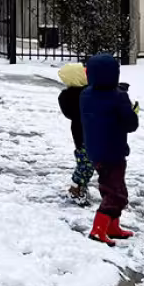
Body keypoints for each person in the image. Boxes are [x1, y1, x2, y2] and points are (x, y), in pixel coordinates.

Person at [79, 54, 139, 245]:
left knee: (111, 187)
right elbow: (131, 124)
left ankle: (112, 226)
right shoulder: (118, 97)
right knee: (115, 193)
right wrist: (131, 110)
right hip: (113, 150)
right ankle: (98, 229)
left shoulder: (86, 94)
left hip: (95, 150)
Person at [57, 62, 95, 206]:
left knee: (88, 163)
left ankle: (80, 186)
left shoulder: (84, 92)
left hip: (89, 135)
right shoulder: (79, 96)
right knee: (86, 164)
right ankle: (75, 189)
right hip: (84, 136)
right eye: (83, 72)